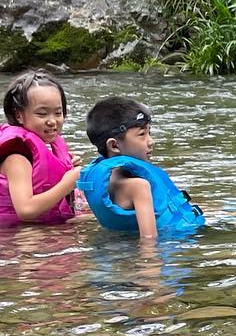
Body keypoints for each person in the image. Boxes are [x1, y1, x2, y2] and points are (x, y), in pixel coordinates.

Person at [81, 97, 205, 240]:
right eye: (142, 135)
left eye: (149, 133)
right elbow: (149, 241)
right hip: (180, 240)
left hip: (116, 251)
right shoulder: (138, 186)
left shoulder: (98, 181)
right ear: (114, 145)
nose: (151, 141)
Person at [0, 71, 81, 227]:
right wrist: (69, 182)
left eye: (58, 113)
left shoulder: (44, 146)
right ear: (19, 116)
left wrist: (67, 167)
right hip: (19, 236)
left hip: (46, 226)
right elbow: (26, 210)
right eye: (42, 114)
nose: (52, 121)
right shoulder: (16, 157)